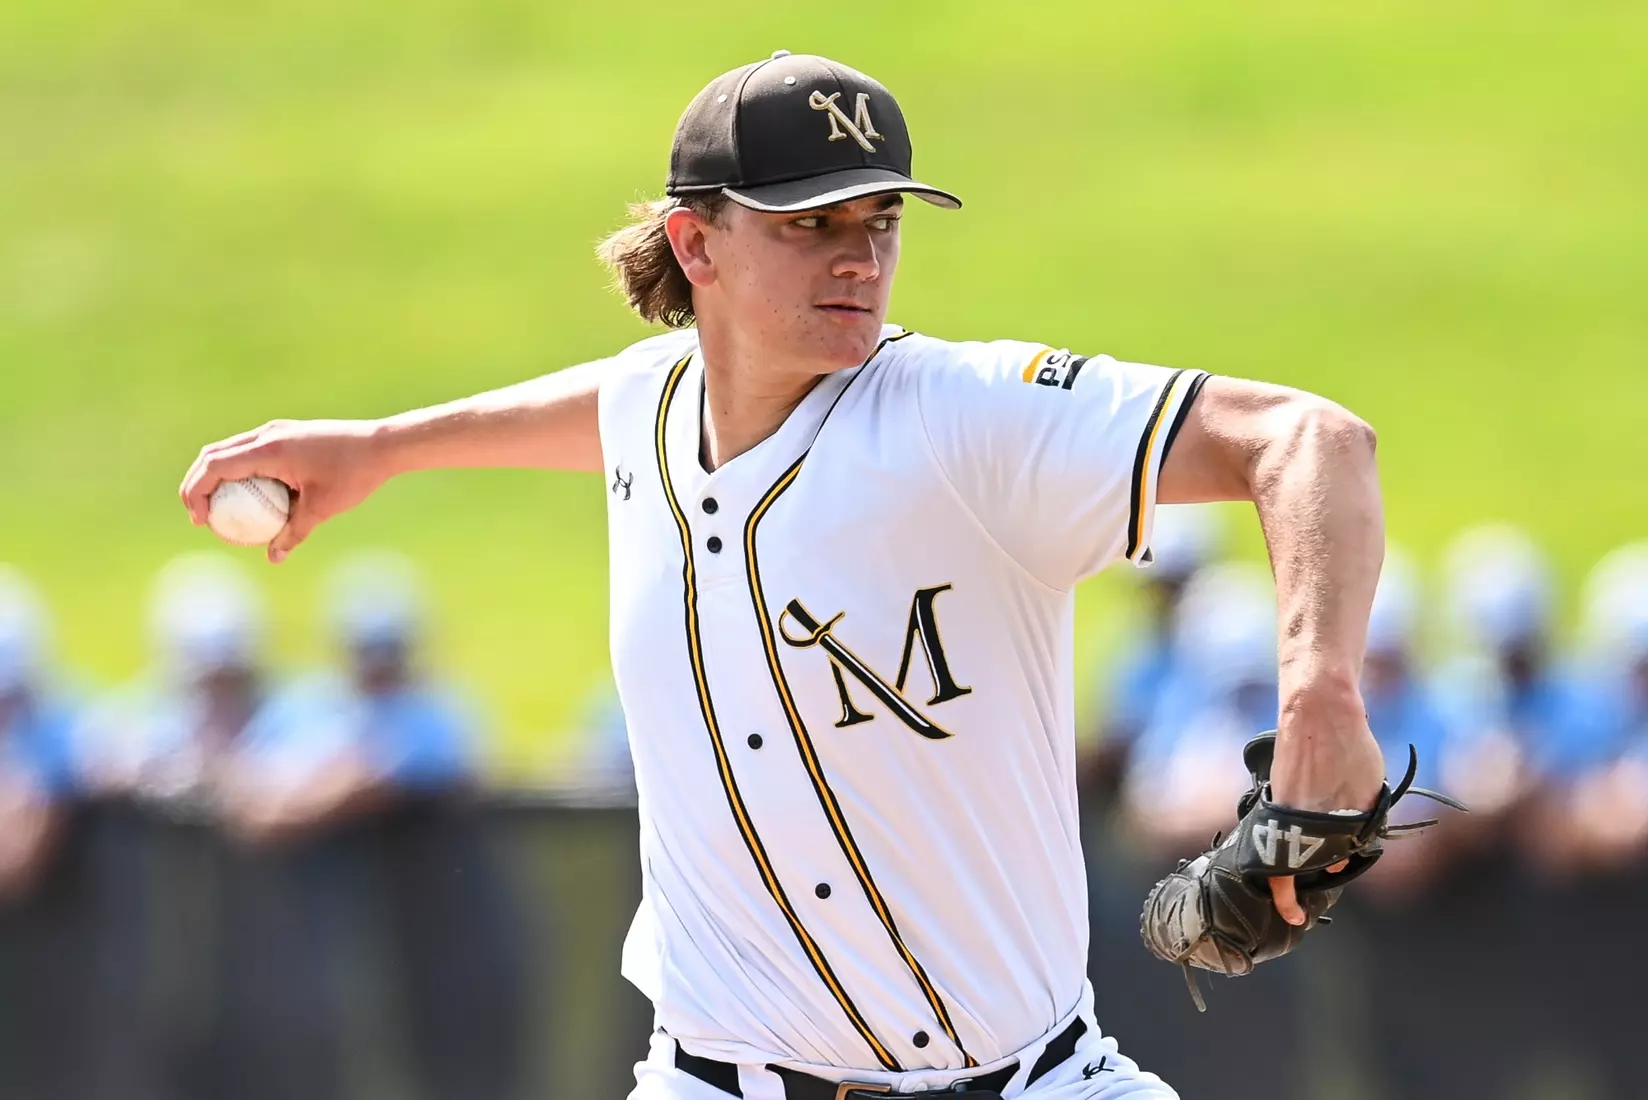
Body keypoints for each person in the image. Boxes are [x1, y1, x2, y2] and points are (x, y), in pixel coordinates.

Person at [181, 51, 1395, 1099]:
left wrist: (1318, 696)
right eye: (809, 222)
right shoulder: (649, 414)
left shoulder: (966, 420)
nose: (858, 254)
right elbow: (606, 404)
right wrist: (381, 450)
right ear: (694, 242)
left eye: (879, 219)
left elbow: (1309, 439)